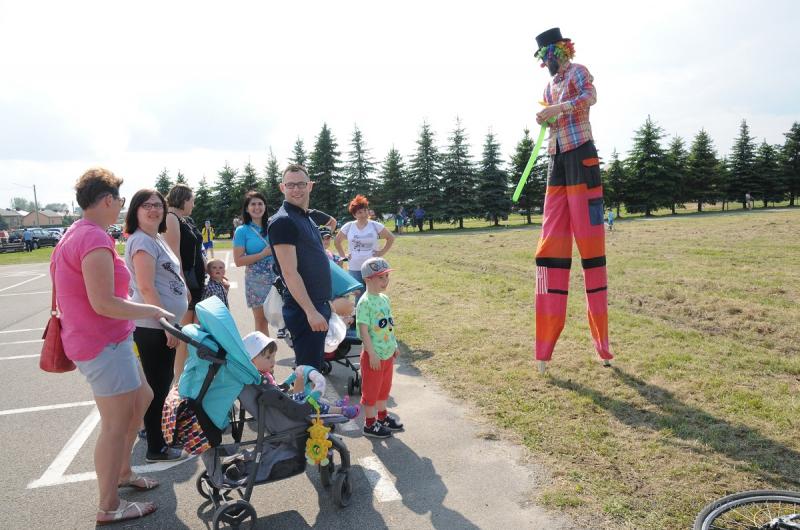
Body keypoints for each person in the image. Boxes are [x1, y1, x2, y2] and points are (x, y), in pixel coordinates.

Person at [54, 168, 171, 525]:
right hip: (102, 343)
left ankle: (122, 472)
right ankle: (109, 505)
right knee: (115, 426)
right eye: (119, 199)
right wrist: (152, 310)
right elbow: (103, 303)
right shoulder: (91, 238)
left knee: (143, 396)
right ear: (107, 200)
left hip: (112, 339)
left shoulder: (80, 233)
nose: (121, 204)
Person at [533, 27, 613, 373]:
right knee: (549, 249)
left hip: (582, 157)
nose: (546, 62)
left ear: (561, 51)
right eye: (542, 58)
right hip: (556, 161)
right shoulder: (548, 86)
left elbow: (590, 97)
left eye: (548, 55)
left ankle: (603, 345)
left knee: (592, 253)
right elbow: (554, 119)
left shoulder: (578, 71)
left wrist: (560, 108)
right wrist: (545, 117)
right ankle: (544, 347)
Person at [125, 189, 189, 463]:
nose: (153, 210)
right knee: (157, 389)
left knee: (161, 385)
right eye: (146, 205)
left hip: (161, 324)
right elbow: (146, 287)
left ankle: (160, 437)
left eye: (158, 205)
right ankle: (156, 446)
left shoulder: (155, 238)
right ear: (135, 211)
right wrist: (167, 324)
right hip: (152, 327)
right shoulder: (142, 241)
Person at [267, 164, 332, 371]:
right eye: (290, 185)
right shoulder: (283, 221)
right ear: (282, 188)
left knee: (312, 371)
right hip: (305, 310)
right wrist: (311, 312)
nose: (296, 189)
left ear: (310, 186)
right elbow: (289, 272)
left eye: (301, 184)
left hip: (316, 304)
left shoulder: (305, 217)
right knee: (308, 372)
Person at [357, 257, 403, 438]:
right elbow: (363, 331)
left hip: (387, 354)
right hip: (374, 356)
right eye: (381, 277)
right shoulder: (365, 302)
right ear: (367, 279)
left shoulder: (384, 299)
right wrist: (372, 353)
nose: (385, 281)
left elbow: (388, 326)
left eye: (386, 277)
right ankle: (369, 424)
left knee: (383, 389)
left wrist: (394, 344)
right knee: (371, 391)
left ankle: (382, 417)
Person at [164, 184, 205, 379]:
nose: (194, 205)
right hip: (186, 281)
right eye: (192, 200)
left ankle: (184, 376)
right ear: (183, 199)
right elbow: (174, 255)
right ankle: (179, 380)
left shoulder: (184, 220)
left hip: (194, 280)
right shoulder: (171, 218)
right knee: (185, 334)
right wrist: (183, 284)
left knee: (192, 332)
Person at [334, 195, 395, 302]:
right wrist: (344, 257)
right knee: (359, 295)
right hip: (355, 267)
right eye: (360, 212)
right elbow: (337, 241)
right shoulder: (349, 226)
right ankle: (359, 313)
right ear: (354, 214)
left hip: (373, 267)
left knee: (374, 293)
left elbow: (390, 237)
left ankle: (375, 311)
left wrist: (381, 252)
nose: (364, 214)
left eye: (365, 211)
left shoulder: (375, 225)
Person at [233, 191, 276, 337]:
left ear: (265, 206)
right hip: (256, 280)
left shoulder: (273, 225)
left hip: (279, 276)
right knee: (261, 320)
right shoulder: (242, 231)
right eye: (253, 204)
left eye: (260, 204)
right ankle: (265, 350)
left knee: (288, 315)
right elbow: (238, 261)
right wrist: (262, 254)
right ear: (247, 208)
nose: (257, 207)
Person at [281, 365, 360, 418]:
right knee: (312, 404)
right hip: (292, 409)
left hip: (287, 403)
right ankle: (342, 410)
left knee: (306, 396)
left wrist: (285, 385)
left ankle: (335, 405)